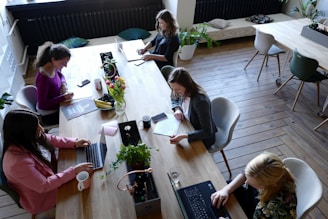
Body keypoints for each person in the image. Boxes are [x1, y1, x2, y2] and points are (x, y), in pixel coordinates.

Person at [1, 109, 94, 216]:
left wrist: (74, 143)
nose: (41, 128)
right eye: (36, 127)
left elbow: (50, 138)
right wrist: (74, 170)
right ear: (24, 133)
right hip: (42, 196)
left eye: (39, 124)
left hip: (50, 176)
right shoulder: (17, 164)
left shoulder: (24, 139)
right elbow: (44, 185)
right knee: (85, 201)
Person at [211, 152, 297, 219]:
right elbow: (245, 173)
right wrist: (226, 190)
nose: (246, 182)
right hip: (253, 201)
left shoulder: (277, 209)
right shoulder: (265, 162)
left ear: (268, 185)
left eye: (254, 184)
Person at [168, 67, 217, 148]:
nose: (174, 92)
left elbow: (207, 132)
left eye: (177, 89)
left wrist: (185, 136)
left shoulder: (200, 102)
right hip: (188, 126)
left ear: (186, 85)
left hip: (202, 138)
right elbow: (173, 97)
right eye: (172, 89)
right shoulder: (181, 90)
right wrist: (177, 109)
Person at [34, 41, 74, 126]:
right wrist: (63, 98)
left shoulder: (53, 66)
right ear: (53, 59)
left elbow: (60, 74)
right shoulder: (43, 78)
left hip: (57, 102)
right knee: (75, 119)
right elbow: (43, 104)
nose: (65, 66)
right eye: (63, 63)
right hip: (49, 114)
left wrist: (63, 82)